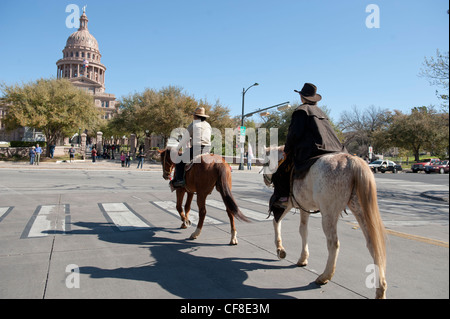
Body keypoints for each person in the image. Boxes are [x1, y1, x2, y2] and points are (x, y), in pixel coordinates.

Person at [270, 83, 347, 211]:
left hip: (313, 150)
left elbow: (294, 134)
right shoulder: (321, 112)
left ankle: (284, 199)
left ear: (301, 97)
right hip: (336, 149)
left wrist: (287, 150)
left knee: (280, 172)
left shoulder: (301, 110)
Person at [172, 107, 212, 188]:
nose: (193, 117)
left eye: (194, 115)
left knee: (179, 161)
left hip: (196, 149)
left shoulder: (194, 124)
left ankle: (180, 180)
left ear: (196, 116)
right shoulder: (208, 125)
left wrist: (178, 148)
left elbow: (185, 138)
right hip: (207, 149)